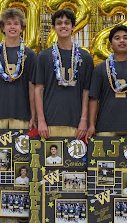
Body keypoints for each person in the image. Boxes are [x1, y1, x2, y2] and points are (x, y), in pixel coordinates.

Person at [34, 9, 94, 138]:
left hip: (76, 124)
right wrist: (41, 121)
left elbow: (86, 91)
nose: (63, 26)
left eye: (67, 23)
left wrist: (84, 120)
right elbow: (38, 89)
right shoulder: (44, 56)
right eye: (59, 23)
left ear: (73, 27)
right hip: (49, 124)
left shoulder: (85, 57)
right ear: (54, 27)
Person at [87, 25, 127, 138]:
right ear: (111, 44)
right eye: (117, 38)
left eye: (125, 37)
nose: (122, 40)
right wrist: (91, 125)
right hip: (105, 129)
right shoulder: (100, 68)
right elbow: (93, 99)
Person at [0, 8, 37, 130]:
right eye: (8, 23)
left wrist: (34, 115)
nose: (12, 27)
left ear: (22, 28)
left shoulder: (30, 55)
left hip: (22, 115)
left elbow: (32, 87)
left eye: (16, 24)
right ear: (2, 28)